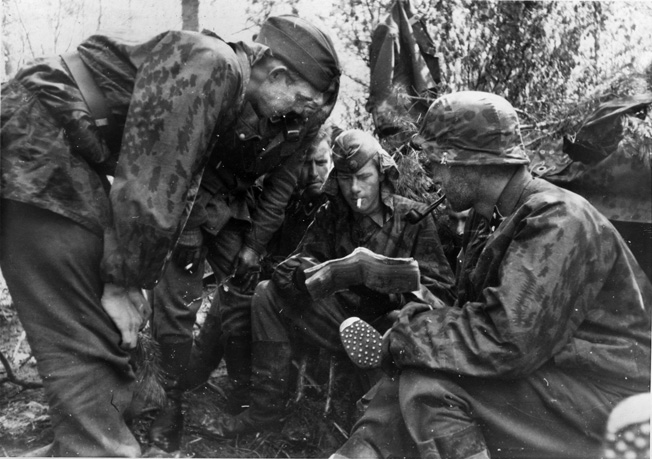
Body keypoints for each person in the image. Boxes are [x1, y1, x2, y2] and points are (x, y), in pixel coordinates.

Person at [0, 15, 339, 456]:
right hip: (38, 145)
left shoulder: (227, 84)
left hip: (59, 153)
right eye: (302, 101)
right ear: (277, 74)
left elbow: (176, 184)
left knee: (98, 330)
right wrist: (123, 283)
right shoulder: (213, 65)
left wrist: (132, 278)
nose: (297, 116)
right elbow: (152, 182)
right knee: (85, 338)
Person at [332, 91, 652, 459]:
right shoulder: (491, 220)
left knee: (430, 385)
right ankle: (359, 451)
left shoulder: (558, 218)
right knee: (411, 378)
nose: (431, 173)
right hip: (558, 378)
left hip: (617, 401)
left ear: (470, 162)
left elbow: (505, 341)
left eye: (437, 160)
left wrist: (405, 335)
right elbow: (477, 319)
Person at [202, 129, 457, 438]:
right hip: (337, 319)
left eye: (363, 176)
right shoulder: (332, 215)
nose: (354, 188)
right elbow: (291, 266)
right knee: (265, 294)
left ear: (382, 172)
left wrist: (395, 286)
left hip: (387, 326)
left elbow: (442, 291)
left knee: (393, 324)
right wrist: (306, 275)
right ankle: (263, 413)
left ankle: (369, 427)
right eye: (346, 179)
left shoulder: (412, 218)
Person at [148, 121, 338, 450]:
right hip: (264, 295)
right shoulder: (274, 199)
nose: (311, 174)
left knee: (244, 303)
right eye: (304, 165)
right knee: (217, 327)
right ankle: (206, 391)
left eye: (320, 163)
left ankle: (251, 397)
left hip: (297, 304)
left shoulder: (335, 207)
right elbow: (258, 244)